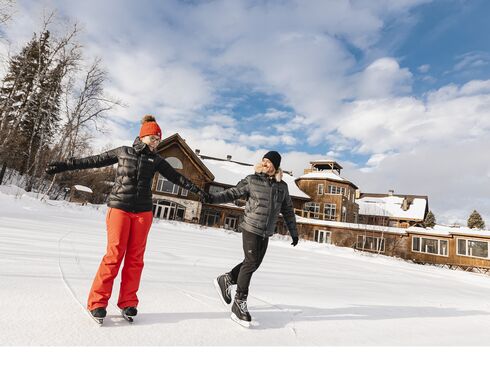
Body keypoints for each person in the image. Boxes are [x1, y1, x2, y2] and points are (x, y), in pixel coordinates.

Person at [46, 115, 207, 322]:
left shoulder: (156, 160)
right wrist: (64, 165)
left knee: (135, 259)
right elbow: (94, 161)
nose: (157, 142)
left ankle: (128, 302)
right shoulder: (123, 152)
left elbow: (177, 178)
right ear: (143, 136)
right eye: (154, 138)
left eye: (159, 139)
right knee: (114, 255)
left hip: (143, 212)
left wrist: (198, 191)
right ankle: (97, 302)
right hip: (120, 208)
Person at [209, 151, 299, 327]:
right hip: (250, 227)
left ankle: (227, 279)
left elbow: (288, 210)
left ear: (275, 165)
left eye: (269, 161)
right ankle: (239, 303)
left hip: (266, 231)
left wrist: (293, 231)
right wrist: (213, 197)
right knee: (250, 263)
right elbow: (232, 193)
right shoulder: (252, 180)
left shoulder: (282, 187)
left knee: (254, 264)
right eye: (263, 160)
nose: (265, 163)